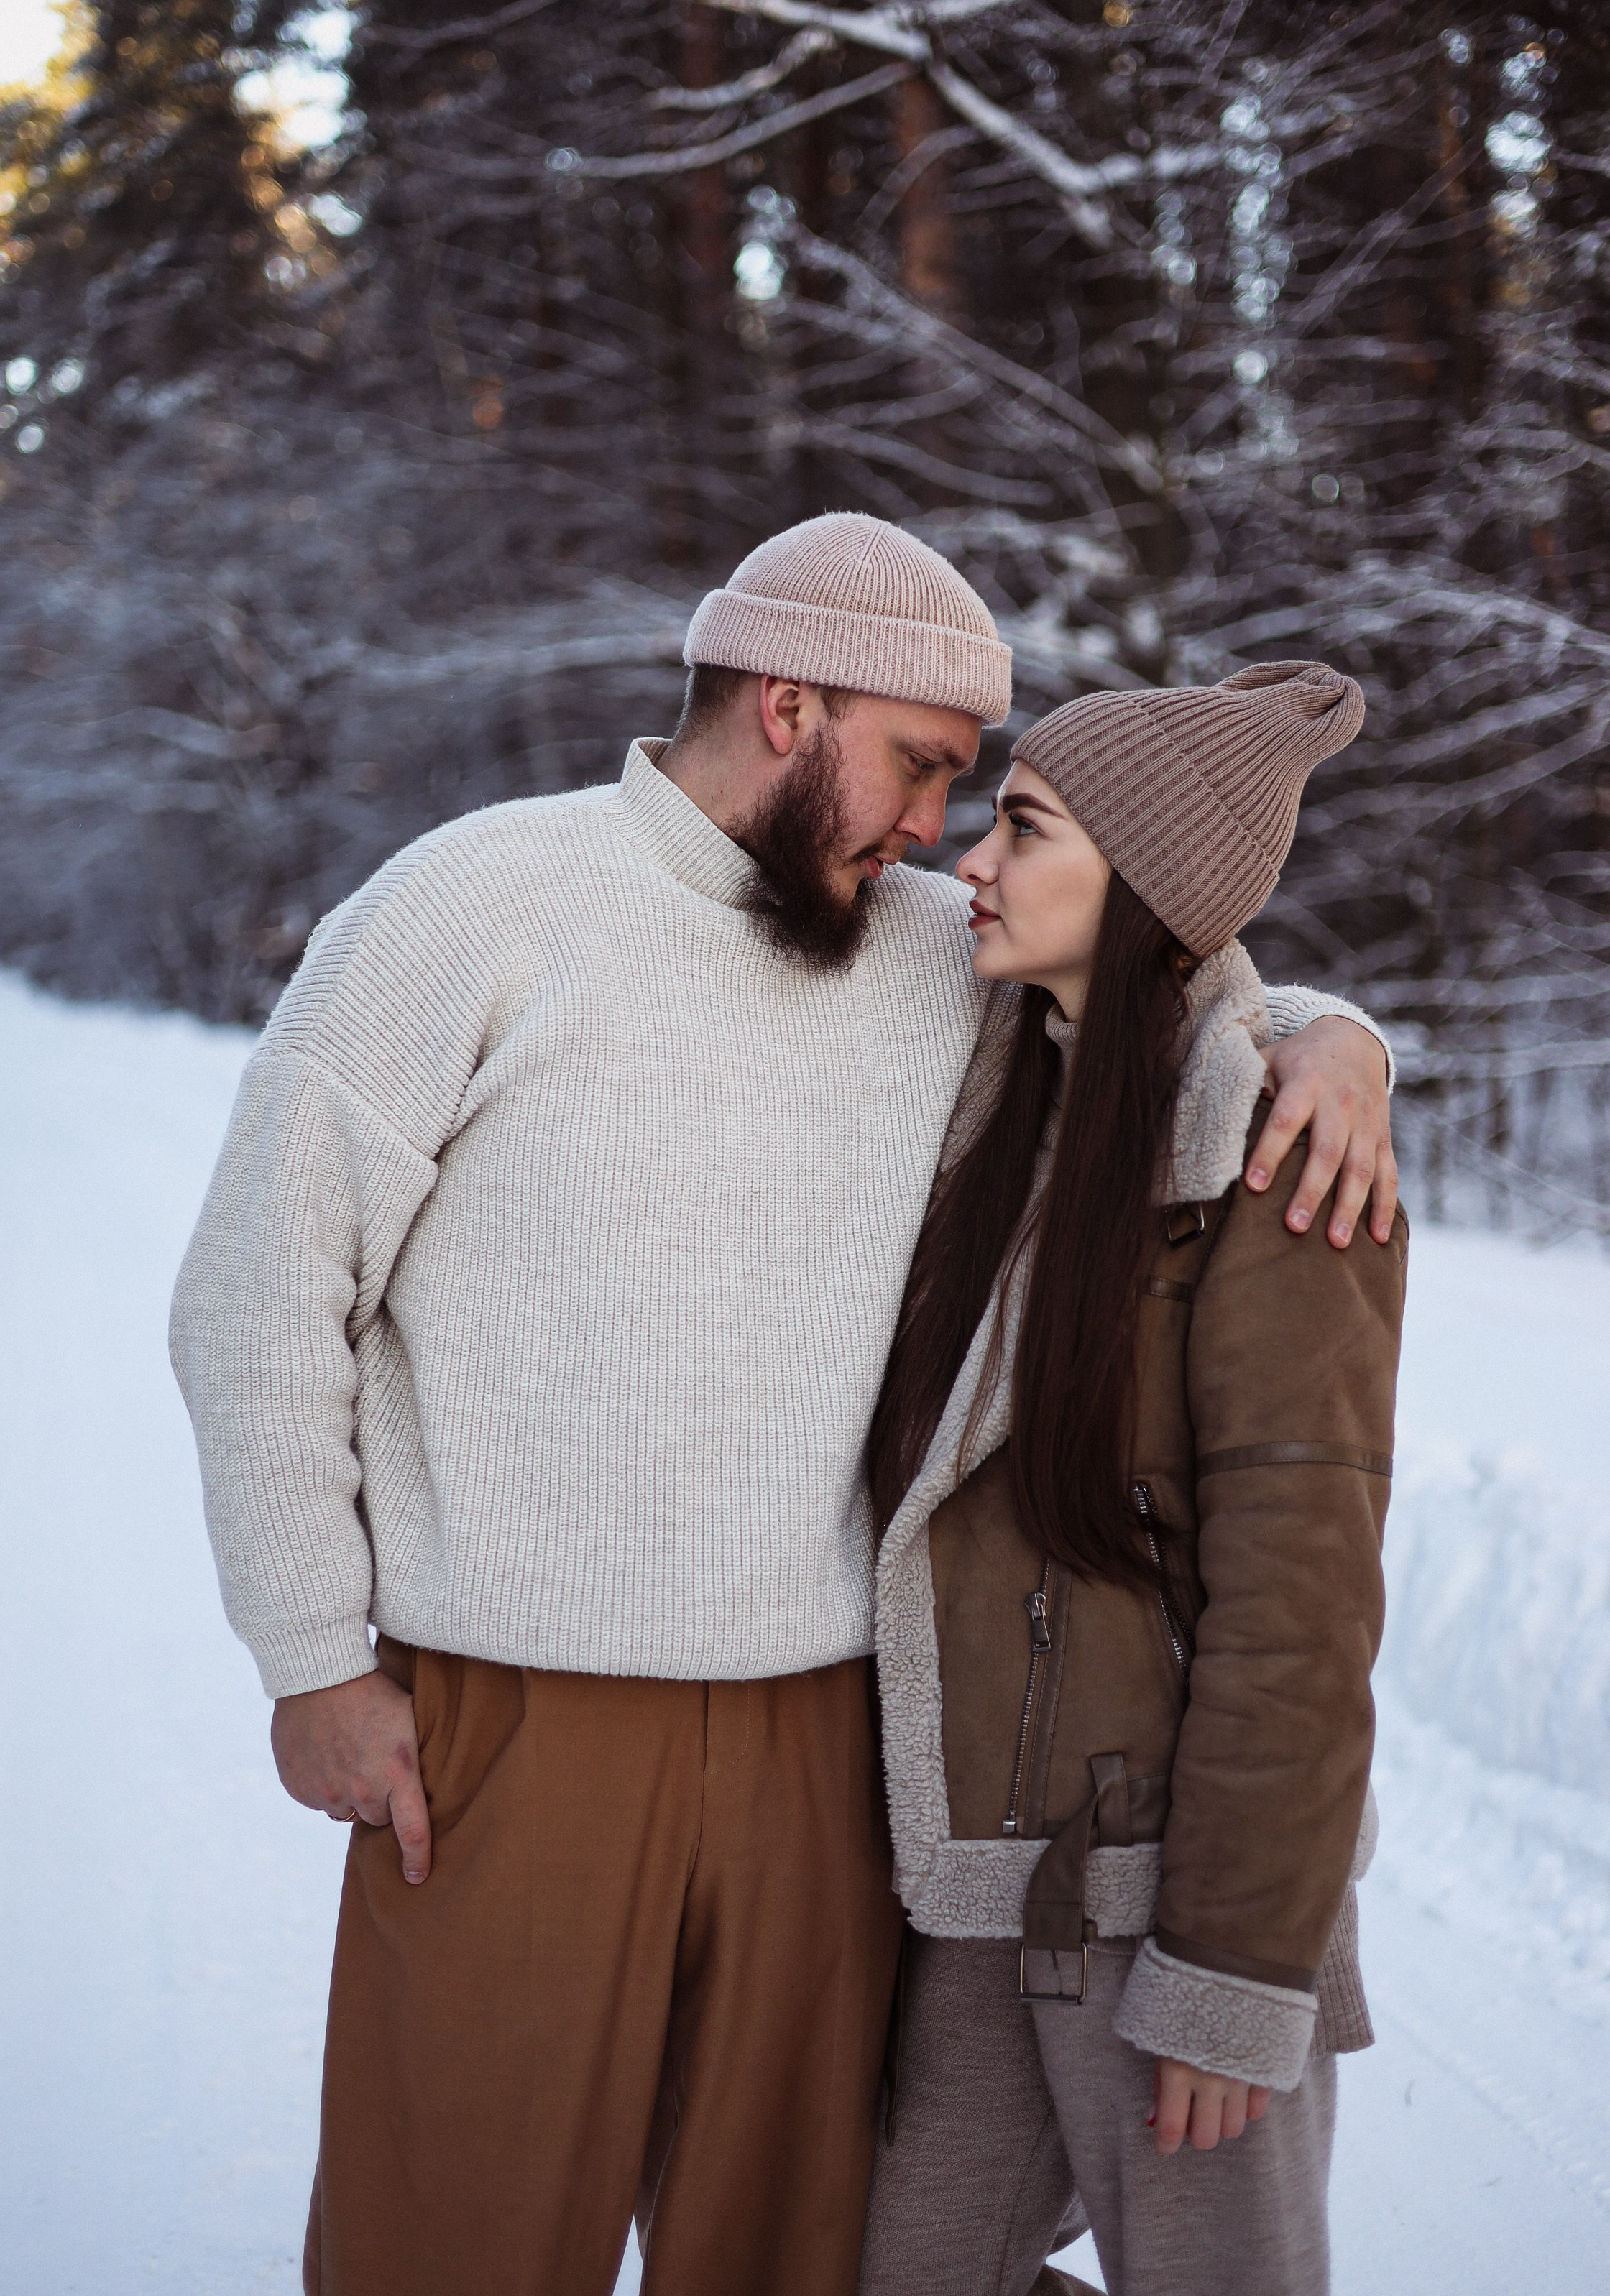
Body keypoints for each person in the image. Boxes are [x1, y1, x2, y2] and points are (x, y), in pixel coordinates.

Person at [170, 516, 1397, 2296]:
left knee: (786, 2257)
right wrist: (310, 1655)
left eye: (970, 798)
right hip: (515, 1729)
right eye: (920, 772)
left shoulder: (923, 955)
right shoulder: (470, 906)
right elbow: (259, 1294)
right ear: (788, 700)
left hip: (834, 1756)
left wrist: (1335, 1034)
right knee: (449, 2239)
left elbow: (1158, 973)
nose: (935, 834)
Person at [859, 663, 1408, 2296]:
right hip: (974, 1893)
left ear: (1142, 882)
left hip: (1170, 1908)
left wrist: (1233, 1973)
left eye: (1018, 827)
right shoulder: (1002, 1089)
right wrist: (1337, 1021)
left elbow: (1297, 1614)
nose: (965, 859)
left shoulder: (1282, 1165)